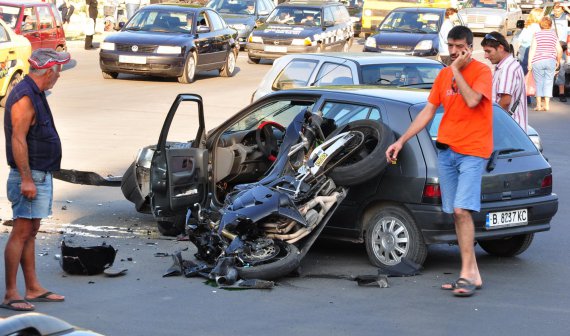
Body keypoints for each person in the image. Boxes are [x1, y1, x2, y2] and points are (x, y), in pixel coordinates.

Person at [386, 26, 491, 298]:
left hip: (473, 151)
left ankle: (467, 273)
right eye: (451, 46)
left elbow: (471, 100)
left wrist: (457, 70)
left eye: (459, 47)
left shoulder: (481, 72)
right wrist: (401, 140)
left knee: (461, 210)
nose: (454, 52)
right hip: (447, 152)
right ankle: (472, 272)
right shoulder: (443, 76)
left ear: (469, 47)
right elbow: (428, 111)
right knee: (455, 212)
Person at [1, 48, 70, 312]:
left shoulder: (35, 92)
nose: (59, 76)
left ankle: (32, 287)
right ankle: (10, 293)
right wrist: (27, 180)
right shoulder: (25, 97)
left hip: (39, 174)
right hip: (29, 176)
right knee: (21, 231)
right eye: (58, 71)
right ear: (49, 72)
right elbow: (18, 140)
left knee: (30, 231)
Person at [482, 31, 527, 132]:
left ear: (501, 48)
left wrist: (490, 122)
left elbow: (505, 101)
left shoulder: (507, 68)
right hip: (512, 128)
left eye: (488, 51)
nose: (485, 56)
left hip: (508, 129)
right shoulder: (510, 65)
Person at [528, 16, 563, 111]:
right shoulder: (553, 35)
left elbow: (532, 49)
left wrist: (529, 63)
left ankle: (538, 105)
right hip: (551, 60)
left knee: (538, 82)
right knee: (548, 82)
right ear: (551, 25)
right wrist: (558, 61)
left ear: (540, 25)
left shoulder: (536, 35)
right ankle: (547, 105)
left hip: (537, 61)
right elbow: (559, 50)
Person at [552, 2, 570, 102]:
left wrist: (567, 9)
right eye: (555, 10)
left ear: (562, 10)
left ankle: (561, 93)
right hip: (551, 46)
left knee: (561, 69)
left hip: (561, 46)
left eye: (559, 10)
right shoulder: (550, 17)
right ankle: (545, 94)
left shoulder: (565, 16)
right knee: (550, 69)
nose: (556, 12)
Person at [517, 8, 543, 75]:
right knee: (532, 71)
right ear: (537, 16)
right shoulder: (537, 27)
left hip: (523, 48)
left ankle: (523, 84)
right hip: (532, 49)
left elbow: (519, 39)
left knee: (523, 70)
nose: (543, 17)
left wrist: (518, 49)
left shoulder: (527, 26)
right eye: (542, 15)